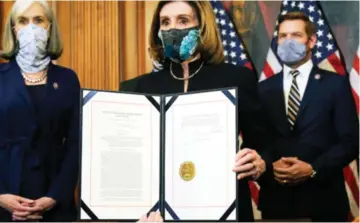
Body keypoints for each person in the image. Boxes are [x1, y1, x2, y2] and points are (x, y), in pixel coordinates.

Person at [120, 1, 268, 221]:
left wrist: (258, 161)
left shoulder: (236, 78)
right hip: (162, 212)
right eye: (165, 22)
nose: (173, 29)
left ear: (201, 26)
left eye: (183, 20)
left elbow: (263, 143)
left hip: (224, 207)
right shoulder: (139, 88)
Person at [257, 11, 359, 221]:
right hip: (277, 202)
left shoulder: (335, 84)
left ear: (311, 40)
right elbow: (256, 140)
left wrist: (313, 169)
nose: (287, 41)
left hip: (324, 201)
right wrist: (269, 167)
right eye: (283, 36)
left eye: (295, 35)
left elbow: (350, 141)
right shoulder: (263, 88)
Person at [0, 0, 80, 221]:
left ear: (49, 27)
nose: (31, 28)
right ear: (14, 30)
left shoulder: (67, 79)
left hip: (54, 202)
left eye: (38, 20)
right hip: (4, 200)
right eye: (23, 21)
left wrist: (53, 197)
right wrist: (1, 196)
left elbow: (76, 144)